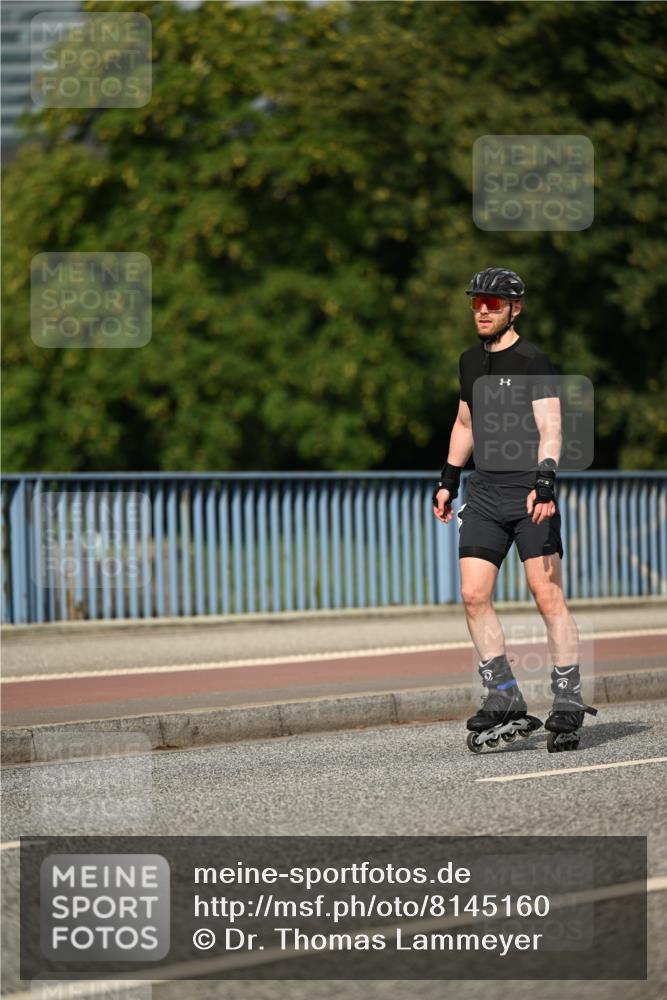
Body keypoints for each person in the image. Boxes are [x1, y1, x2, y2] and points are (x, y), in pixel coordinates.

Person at [432, 266, 596, 753]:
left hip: (528, 492)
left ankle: (566, 699)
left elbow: (551, 428)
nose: (483, 310)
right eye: (477, 302)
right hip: (482, 492)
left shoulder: (532, 361)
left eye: (493, 304)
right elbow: (465, 422)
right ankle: (503, 696)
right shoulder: (468, 361)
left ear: (514, 308)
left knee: (546, 595)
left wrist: (546, 481)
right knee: (472, 593)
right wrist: (448, 478)